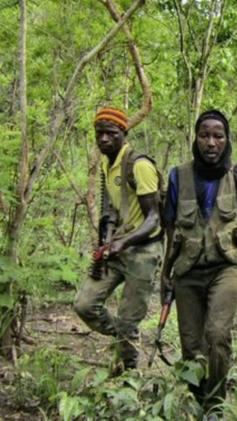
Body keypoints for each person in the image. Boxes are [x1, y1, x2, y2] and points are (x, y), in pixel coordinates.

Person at [160, 109, 237, 415]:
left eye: (218, 136)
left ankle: (215, 404)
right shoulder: (178, 175)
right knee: (192, 346)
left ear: (227, 139)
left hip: (225, 267)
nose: (211, 142)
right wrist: (165, 272)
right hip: (187, 270)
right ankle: (197, 399)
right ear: (196, 138)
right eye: (205, 135)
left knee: (217, 335)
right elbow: (170, 227)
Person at [74, 107, 163, 373]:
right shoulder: (106, 162)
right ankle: (126, 338)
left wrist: (123, 243)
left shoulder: (140, 166)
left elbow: (154, 219)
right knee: (85, 305)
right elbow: (110, 207)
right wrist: (107, 239)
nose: (103, 139)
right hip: (117, 246)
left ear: (123, 133)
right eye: (99, 133)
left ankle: (130, 373)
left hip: (143, 251)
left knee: (128, 320)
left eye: (110, 133)